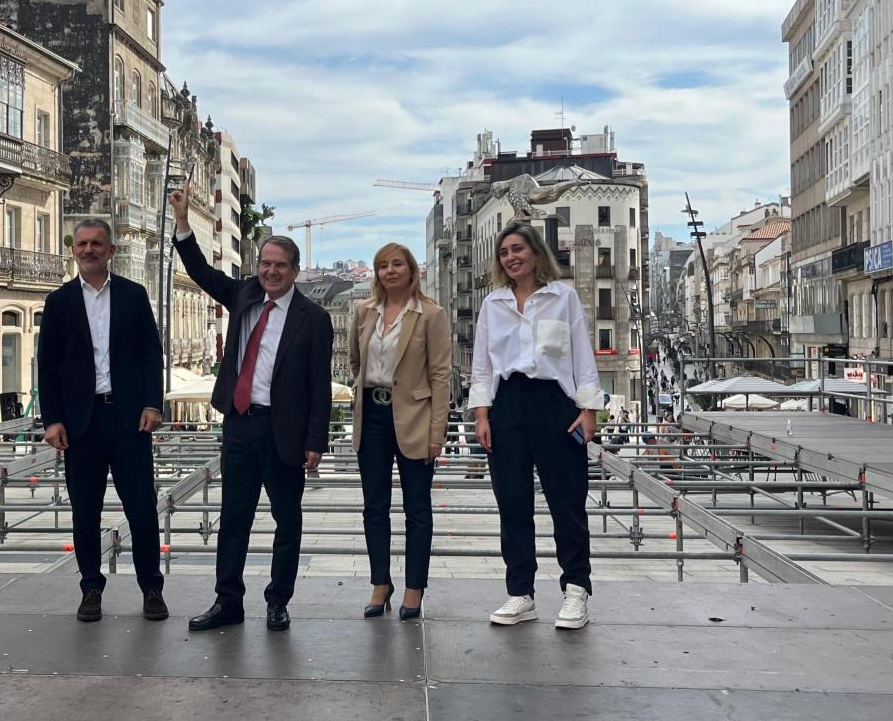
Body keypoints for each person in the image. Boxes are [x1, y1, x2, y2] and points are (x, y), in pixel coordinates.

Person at [171, 179, 333, 633]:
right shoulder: (244, 295)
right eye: (265, 263)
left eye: (280, 265)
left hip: (283, 432)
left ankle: (278, 601)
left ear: (296, 271)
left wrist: (315, 442)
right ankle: (228, 601)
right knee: (233, 519)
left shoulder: (314, 319)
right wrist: (183, 221)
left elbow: (320, 386)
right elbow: (202, 272)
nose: (271, 272)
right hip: (239, 427)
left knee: (288, 522)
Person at [468, 219, 603, 631]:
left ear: (535, 253)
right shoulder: (493, 305)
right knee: (512, 502)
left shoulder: (562, 298)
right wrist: (481, 415)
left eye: (517, 250)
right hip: (508, 404)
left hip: (555, 403)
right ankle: (520, 593)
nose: (510, 257)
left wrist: (589, 410)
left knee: (567, 500)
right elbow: (482, 365)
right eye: (504, 252)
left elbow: (582, 354)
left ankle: (576, 589)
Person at [37, 217, 168, 623]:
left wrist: (153, 403)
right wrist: (52, 419)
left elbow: (151, 353)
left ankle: (151, 588)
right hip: (81, 423)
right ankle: (91, 587)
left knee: (142, 509)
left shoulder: (133, 295)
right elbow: (47, 365)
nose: (88, 250)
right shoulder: (59, 302)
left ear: (111, 251)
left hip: (129, 419)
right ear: (73, 250)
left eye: (96, 243)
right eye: (81, 244)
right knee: (84, 511)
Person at [349, 243, 451, 620]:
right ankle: (380, 583)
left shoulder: (431, 315)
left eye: (396, 264)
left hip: (415, 418)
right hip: (371, 418)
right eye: (382, 266)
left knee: (417, 510)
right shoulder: (364, 313)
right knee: (374, 507)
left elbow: (441, 375)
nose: (389, 271)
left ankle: (414, 588)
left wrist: (437, 433)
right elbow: (357, 362)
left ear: (411, 271)